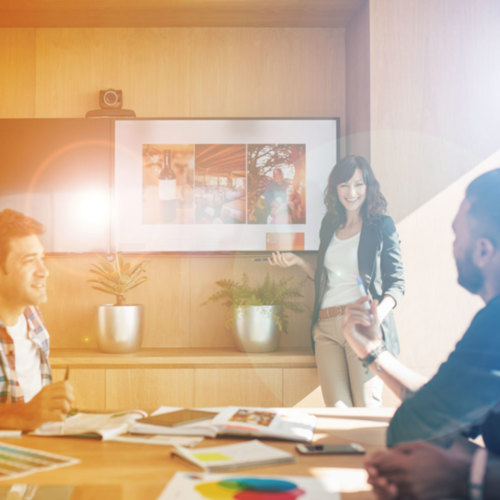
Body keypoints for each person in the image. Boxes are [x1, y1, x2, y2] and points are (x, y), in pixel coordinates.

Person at [342, 169, 500, 448]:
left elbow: (411, 429)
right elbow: (438, 407)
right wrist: (373, 350)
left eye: (457, 236)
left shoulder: (494, 326)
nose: (453, 247)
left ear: (483, 251)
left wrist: (464, 470)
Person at [269, 155, 405, 407]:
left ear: (368, 186)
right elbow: (327, 278)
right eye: (344, 185)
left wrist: (374, 318)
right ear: (335, 189)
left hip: (360, 327)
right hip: (325, 329)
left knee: (365, 411)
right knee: (337, 412)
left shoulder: (382, 226)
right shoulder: (330, 225)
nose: (351, 192)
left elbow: (396, 285)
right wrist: (298, 262)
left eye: (358, 184)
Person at [0, 209, 74, 430]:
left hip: (39, 445)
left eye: (42, 259)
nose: (44, 271)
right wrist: (22, 415)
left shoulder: (33, 315)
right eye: (29, 261)